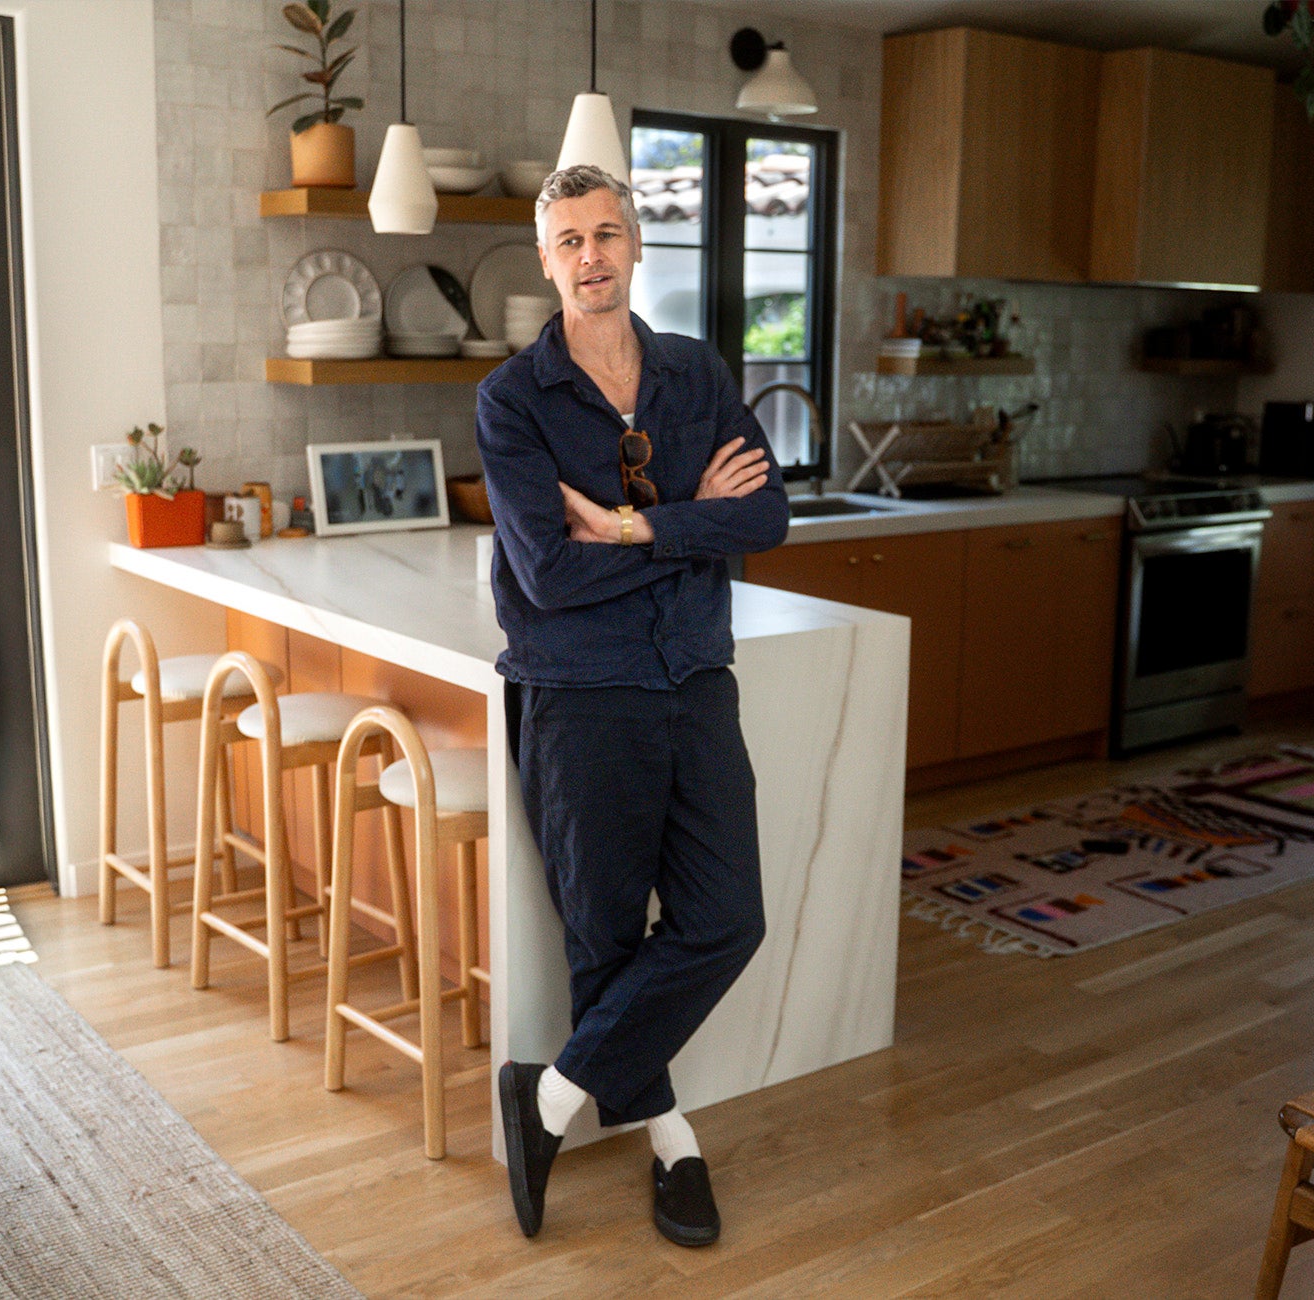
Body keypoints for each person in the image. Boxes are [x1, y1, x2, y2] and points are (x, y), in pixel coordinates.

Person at [475, 164, 790, 1247]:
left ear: (637, 244)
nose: (591, 257)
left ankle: (549, 1097)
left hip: (695, 680)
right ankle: (673, 1145)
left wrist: (631, 525)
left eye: (607, 234)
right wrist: (695, 519)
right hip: (579, 696)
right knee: (605, 938)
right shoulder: (514, 399)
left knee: (728, 917)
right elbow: (548, 577)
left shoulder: (696, 373)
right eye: (569, 241)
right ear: (546, 259)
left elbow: (768, 520)